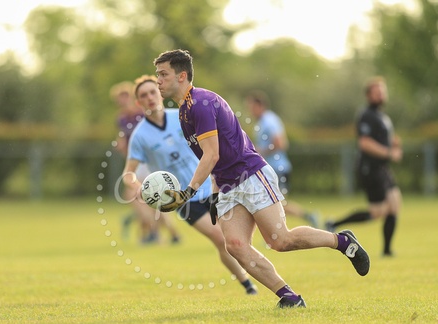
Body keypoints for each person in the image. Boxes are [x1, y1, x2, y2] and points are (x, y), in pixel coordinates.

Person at [153, 49, 370, 309]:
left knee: (280, 241)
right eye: (158, 75)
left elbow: (211, 155)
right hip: (226, 185)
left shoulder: (200, 102)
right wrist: (213, 193)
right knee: (234, 245)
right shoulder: (183, 113)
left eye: (163, 74)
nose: (158, 81)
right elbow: (212, 160)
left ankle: (342, 241)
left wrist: (188, 192)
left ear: (182, 76)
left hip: (250, 175)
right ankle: (289, 297)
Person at [122, 75, 258, 295]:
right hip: (184, 199)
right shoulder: (139, 136)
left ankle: (252, 276)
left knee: (235, 239)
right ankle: (247, 283)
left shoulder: (182, 117)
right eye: (143, 96)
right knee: (220, 238)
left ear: (160, 94)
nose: (149, 98)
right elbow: (128, 173)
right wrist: (140, 187)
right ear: (138, 103)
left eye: (152, 92)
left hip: (213, 186)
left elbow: (211, 145)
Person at [325, 77, 402, 257]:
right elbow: (365, 143)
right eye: (377, 92)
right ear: (369, 95)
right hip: (370, 169)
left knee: (395, 204)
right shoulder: (366, 115)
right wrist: (390, 153)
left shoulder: (382, 116)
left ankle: (387, 251)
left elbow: (380, 139)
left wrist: (392, 143)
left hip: (383, 169)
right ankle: (334, 224)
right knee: (377, 212)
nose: (381, 95)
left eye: (383, 91)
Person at [110, 81, 180, 244]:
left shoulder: (142, 113)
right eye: (120, 98)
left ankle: (154, 232)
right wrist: (121, 144)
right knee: (149, 199)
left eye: (126, 96)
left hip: (148, 159)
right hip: (136, 161)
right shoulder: (121, 118)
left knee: (136, 196)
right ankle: (171, 234)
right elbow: (123, 137)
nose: (123, 100)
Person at [245, 90, 320, 228]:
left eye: (251, 107)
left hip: (277, 168)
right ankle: (304, 218)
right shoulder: (263, 122)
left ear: (260, 105)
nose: (250, 111)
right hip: (270, 168)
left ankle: (293, 224)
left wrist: (259, 151)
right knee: (274, 202)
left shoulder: (269, 120)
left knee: (273, 203)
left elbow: (281, 143)